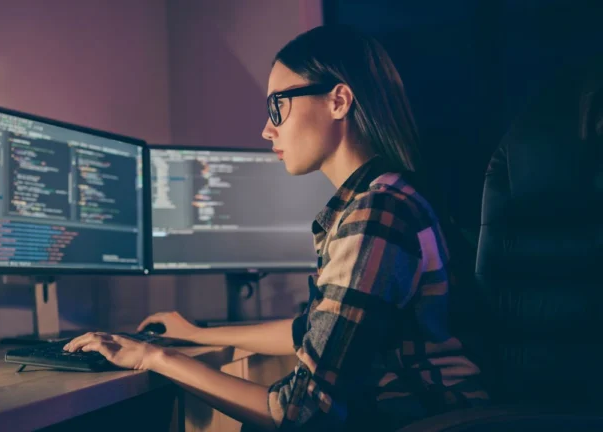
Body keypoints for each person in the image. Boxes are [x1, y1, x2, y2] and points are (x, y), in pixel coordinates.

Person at [64, 25, 489, 431]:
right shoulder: (384, 198)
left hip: (416, 420)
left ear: (339, 101)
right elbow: (311, 329)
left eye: (277, 106)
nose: (267, 128)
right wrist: (196, 334)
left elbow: (301, 413)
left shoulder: (376, 216)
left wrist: (152, 358)